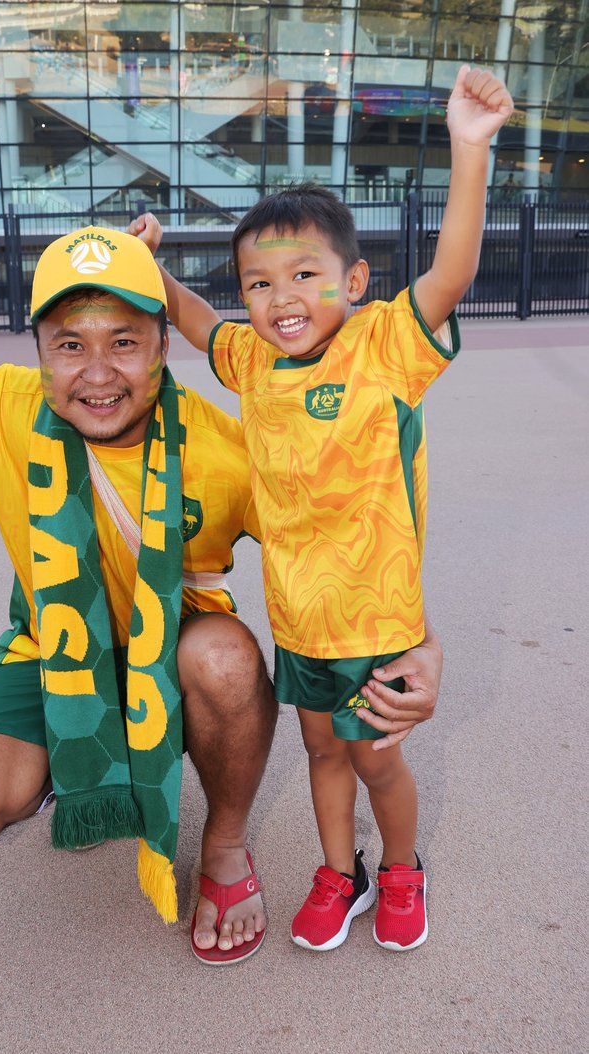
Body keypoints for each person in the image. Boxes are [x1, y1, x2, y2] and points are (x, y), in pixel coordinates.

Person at [0, 227, 443, 966]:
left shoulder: (224, 444)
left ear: (164, 345)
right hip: (55, 652)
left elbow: (348, 532)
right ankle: (89, 759)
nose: (97, 373)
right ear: (39, 350)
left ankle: (224, 849)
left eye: (124, 342)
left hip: (180, 659)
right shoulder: (3, 406)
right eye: (70, 345)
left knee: (227, 659)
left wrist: (416, 640)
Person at [129, 65, 513, 954]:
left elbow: (452, 274)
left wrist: (468, 149)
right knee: (324, 756)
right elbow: (191, 319)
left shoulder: (383, 344)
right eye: (258, 283)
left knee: (379, 757)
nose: (280, 299)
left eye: (305, 275)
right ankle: (339, 873)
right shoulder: (251, 360)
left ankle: (403, 869)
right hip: (299, 619)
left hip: (379, 617)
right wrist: (148, 267)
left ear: (353, 279)